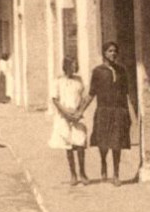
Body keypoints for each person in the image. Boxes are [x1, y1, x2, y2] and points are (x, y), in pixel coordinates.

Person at [77, 41, 132, 186]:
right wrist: (80, 111)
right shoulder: (97, 71)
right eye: (109, 51)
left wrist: (128, 114)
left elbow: (126, 94)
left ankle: (116, 174)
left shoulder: (122, 71)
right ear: (104, 53)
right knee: (103, 143)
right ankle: (103, 163)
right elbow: (91, 94)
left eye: (115, 51)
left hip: (118, 111)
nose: (113, 54)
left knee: (117, 143)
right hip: (103, 111)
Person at [48, 57, 89, 185]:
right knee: (69, 145)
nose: (74, 68)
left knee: (80, 143)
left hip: (77, 116)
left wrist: (79, 111)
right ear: (66, 66)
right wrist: (66, 113)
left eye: (75, 65)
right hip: (64, 116)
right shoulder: (58, 81)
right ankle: (73, 174)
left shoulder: (79, 80)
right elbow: (55, 100)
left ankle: (82, 172)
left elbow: (83, 98)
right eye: (71, 65)